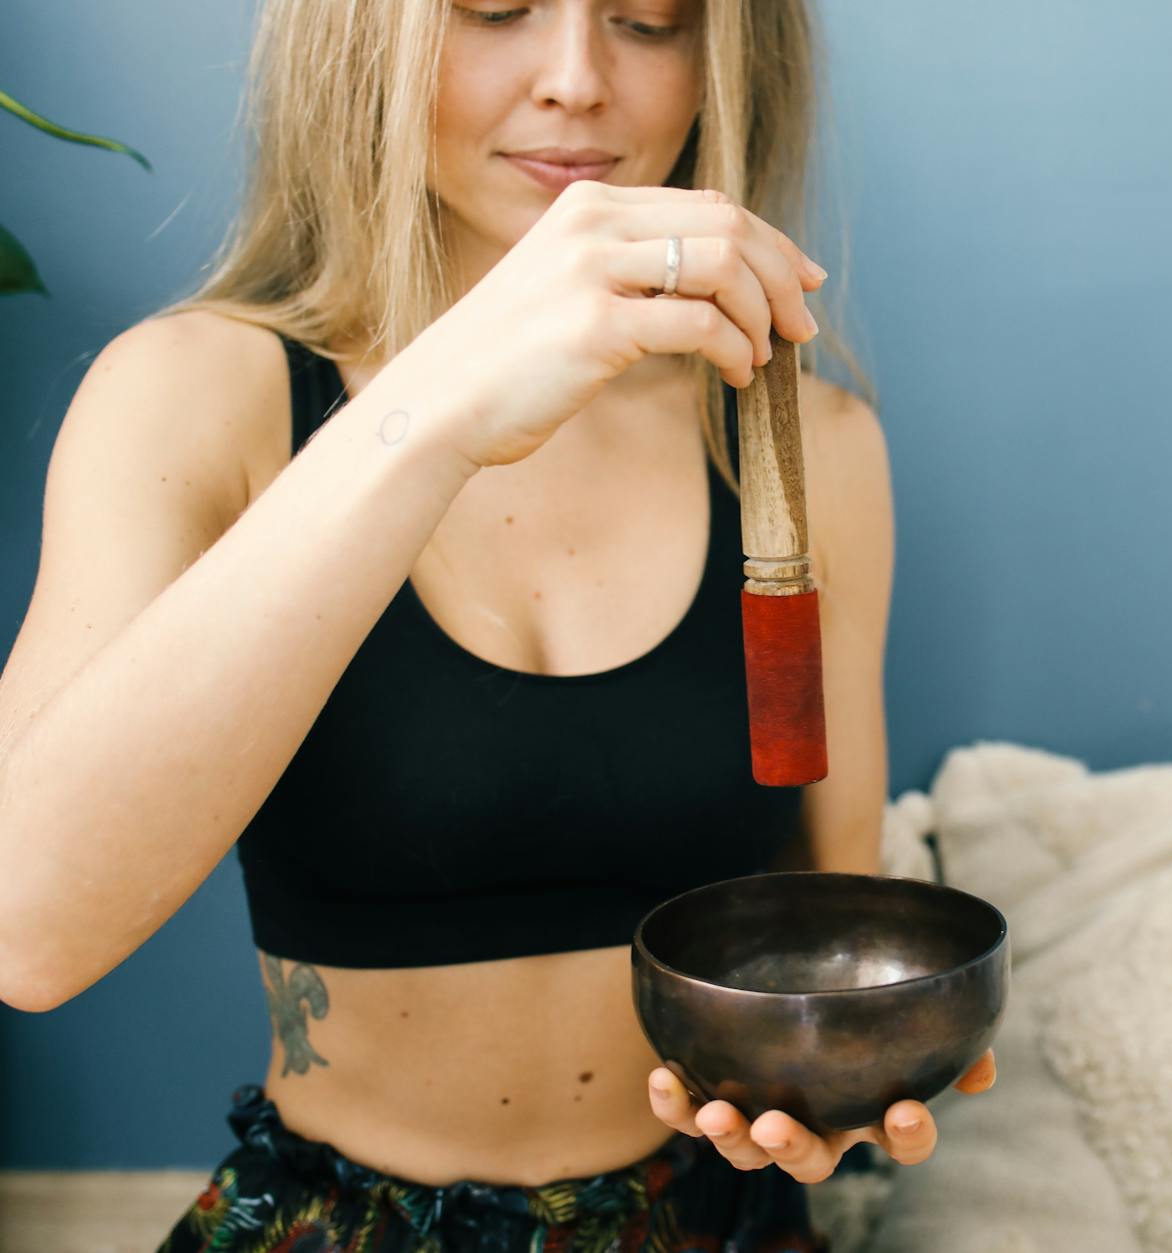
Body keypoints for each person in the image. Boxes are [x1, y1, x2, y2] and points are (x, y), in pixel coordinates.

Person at [0, 0, 996, 1248]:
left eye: (646, 19)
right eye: (493, 9)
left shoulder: (811, 450)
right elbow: (22, 928)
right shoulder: (196, 397)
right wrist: (442, 404)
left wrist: (836, 1084)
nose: (575, 79)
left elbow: (822, 920)